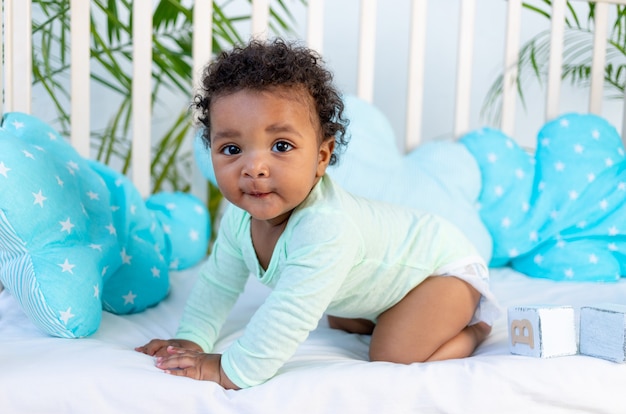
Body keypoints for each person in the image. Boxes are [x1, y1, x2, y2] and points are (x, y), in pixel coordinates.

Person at [136, 38, 499, 390]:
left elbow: (288, 316)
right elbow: (218, 283)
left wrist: (228, 369)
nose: (254, 167)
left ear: (322, 157)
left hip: (442, 270)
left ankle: (474, 330)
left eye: (281, 146)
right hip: (390, 281)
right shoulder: (239, 218)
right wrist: (192, 340)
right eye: (231, 148)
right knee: (342, 317)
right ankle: (395, 314)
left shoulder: (325, 227)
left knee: (392, 353)